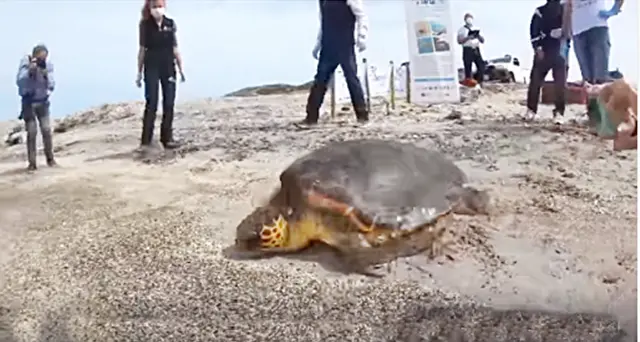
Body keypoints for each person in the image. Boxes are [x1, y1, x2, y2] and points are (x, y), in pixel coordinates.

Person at [298, 0, 369, 127]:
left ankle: (362, 116)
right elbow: (323, 22)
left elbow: (361, 15)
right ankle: (311, 118)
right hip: (328, 46)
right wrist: (318, 43)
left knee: (352, 79)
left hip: (345, 45)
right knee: (320, 81)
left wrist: (362, 35)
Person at [136, 0, 185, 149]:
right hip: (151, 66)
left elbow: (175, 48)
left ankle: (167, 138)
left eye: (160, 7)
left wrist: (181, 69)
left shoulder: (170, 24)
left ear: (164, 7)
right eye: (154, 7)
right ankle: (146, 141)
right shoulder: (145, 25)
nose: (157, 10)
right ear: (149, 8)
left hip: (168, 66)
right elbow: (142, 50)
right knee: (152, 102)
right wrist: (138, 72)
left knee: (169, 102)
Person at [523, 0, 568, 124]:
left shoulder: (565, 10)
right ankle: (531, 110)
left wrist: (563, 32)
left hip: (560, 51)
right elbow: (534, 30)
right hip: (544, 50)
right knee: (535, 81)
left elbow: (570, 30)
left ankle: (559, 113)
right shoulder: (540, 11)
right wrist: (537, 47)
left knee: (560, 83)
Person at [15, 44, 57, 171]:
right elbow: (19, 81)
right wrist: (30, 70)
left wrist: (45, 74)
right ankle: (32, 163)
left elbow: (52, 86)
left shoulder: (47, 66)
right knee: (32, 132)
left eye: (43, 58)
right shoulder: (25, 63)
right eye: (39, 58)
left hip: (43, 102)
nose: (41, 61)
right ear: (34, 56)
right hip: (29, 103)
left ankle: (50, 159)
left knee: (46, 130)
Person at [570, 0, 624, 84]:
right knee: (587, 79)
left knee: (600, 76)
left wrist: (614, 9)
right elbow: (566, 7)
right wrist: (566, 30)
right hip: (578, 31)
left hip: (597, 27)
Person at [456, 13, 485, 87]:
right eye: (467, 18)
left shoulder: (476, 28)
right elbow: (459, 41)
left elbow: (483, 41)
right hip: (467, 49)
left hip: (476, 48)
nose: (469, 19)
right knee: (468, 66)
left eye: (470, 17)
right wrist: (468, 37)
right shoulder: (461, 30)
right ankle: (469, 82)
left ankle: (479, 81)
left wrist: (478, 36)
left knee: (481, 65)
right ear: (465, 19)